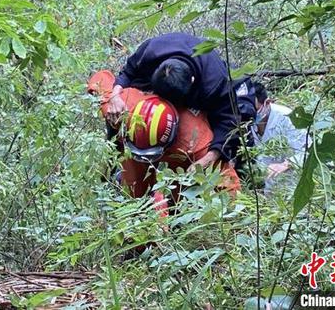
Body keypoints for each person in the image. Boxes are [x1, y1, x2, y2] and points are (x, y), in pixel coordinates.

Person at [87, 70, 240, 209]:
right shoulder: (120, 108)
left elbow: (228, 184)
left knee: (178, 199)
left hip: (178, 155)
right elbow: (100, 78)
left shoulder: (194, 141)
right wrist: (112, 96)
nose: (148, 160)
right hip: (132, 153)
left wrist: (235, 212)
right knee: (133, 196)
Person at [106, 32, 256, 169]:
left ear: (192, 80)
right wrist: (115, 95)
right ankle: (114, 163)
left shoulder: (215, 83)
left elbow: (229, 122)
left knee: (235, 136)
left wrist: (210, 157)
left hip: (203, 104)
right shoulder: (151, 52)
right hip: (158, 80)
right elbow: (128, 72)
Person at [250, 81, 310, 195]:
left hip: (293, 181)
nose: (251, 114)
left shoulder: (288, 118)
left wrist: (285, 164)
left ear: (267, 103)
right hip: (267, 185)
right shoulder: (246, 121)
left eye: (255, 110)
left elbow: (307, 151)